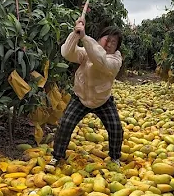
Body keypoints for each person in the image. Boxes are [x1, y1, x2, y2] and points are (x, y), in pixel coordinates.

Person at [46, 17, 124, 172]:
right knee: (65, 124)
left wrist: (85, 38)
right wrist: (76, 33)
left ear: (117, 47)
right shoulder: (86, 52)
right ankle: (57, 155)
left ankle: (115, 157)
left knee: (116, 128)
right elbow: (67, 53)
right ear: (99, 39)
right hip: (80, 98)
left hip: (103, 100)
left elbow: (100, 61)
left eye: (113, 42)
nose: (108, 44)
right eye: (106, 39)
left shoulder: (115, 60)